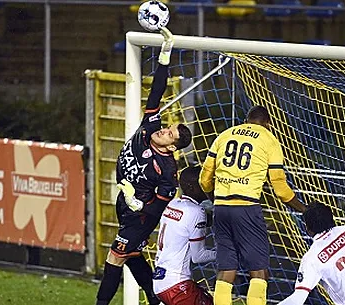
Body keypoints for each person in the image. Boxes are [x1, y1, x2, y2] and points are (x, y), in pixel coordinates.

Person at [95, 27, 193, 305]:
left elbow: (159, 206)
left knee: (115, 257)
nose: (163, 131)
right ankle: (153, 298)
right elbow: (157, 92)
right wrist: (164, 57)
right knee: (133, 255)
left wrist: (141, 213)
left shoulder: (168, 172)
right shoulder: (149, 127)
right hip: (124, 205)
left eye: (169, 134)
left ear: (172, 147)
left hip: (139, 217)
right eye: (168, 128)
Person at [199, 106, 306, 305]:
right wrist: (303, 209)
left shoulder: (225, 135)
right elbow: (280, 188)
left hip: (221, 208)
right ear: (268, 123)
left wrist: (215, 199)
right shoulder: (269, 139)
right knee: (259, 272)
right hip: (247, 208)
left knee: (226, 271)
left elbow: (204, 178)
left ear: (247, 119)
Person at [153, 166, 216, 305]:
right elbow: (198, 256)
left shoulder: (173, 203)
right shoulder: (196, 211)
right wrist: (226, 253)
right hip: (177, 284)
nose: (208, 185)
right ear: (192, 187)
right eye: (203, 182)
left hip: (160, 282)